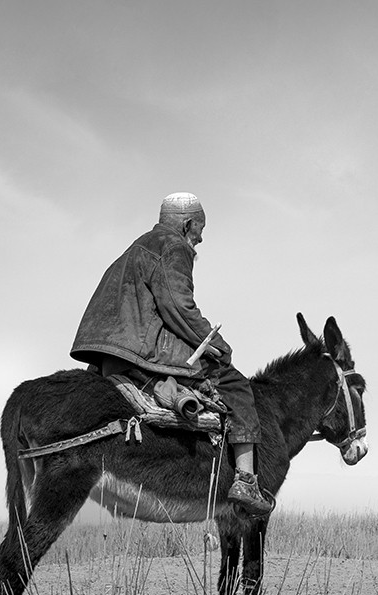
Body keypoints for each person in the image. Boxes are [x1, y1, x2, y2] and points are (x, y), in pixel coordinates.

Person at [70, 191, 272, 516]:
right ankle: (246, 480)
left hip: (108, 353)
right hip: (141, 349)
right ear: (188, 224)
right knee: (235, 385)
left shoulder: (136, 246)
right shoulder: (173, 246)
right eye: (200, 231)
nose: (200, 240)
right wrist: (219, 345)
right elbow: (178, 307)